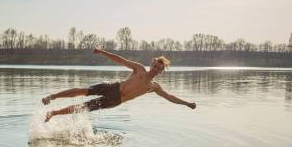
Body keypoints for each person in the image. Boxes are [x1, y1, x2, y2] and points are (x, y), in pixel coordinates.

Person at [42, 48, 196, 122]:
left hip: (115, 101)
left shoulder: (153, 87)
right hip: (113, 87)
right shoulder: (139, 69)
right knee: (84, 90)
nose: (156, 69)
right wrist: (103, 52)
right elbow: (120, 60)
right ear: (152, 63)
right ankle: (52, 96)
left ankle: (54, 113)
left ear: (162, 71)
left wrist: (187, 103)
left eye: (159, 69)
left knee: (83, 108)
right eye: (155, 65)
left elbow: (170, 97)